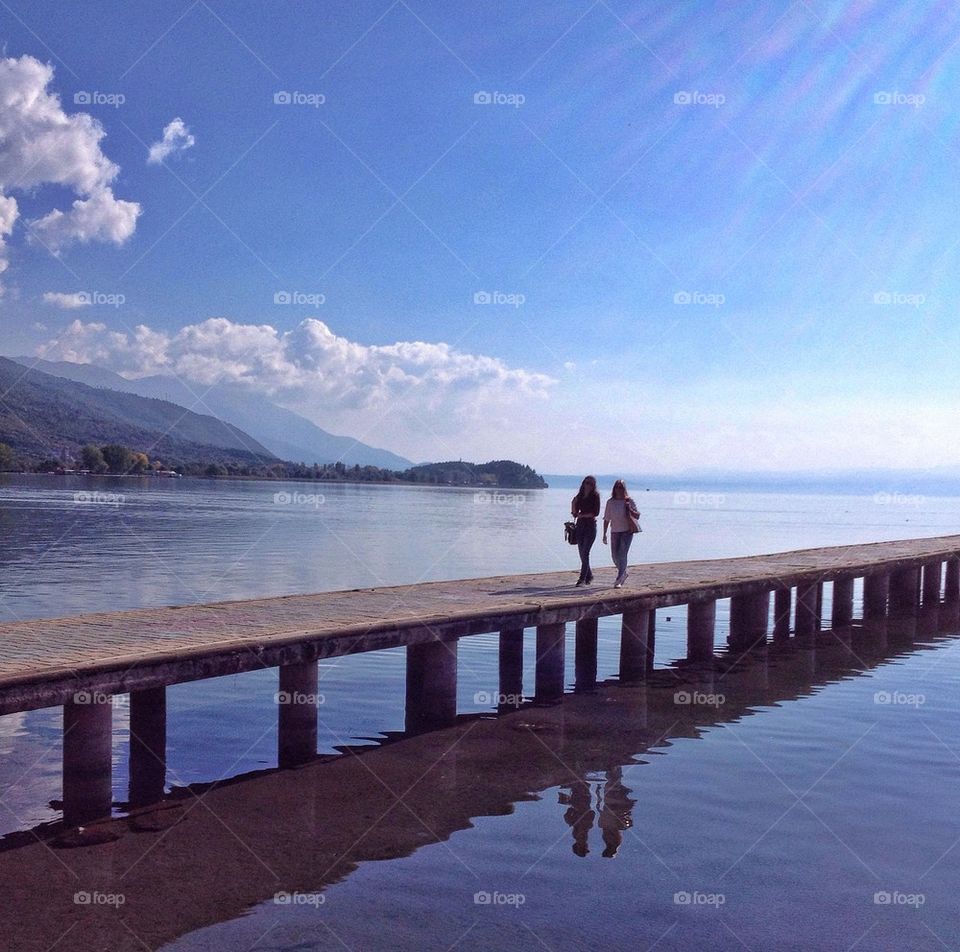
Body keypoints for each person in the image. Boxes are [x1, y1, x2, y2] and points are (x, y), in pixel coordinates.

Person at [602, 479, 639, 588]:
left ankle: (619, 579)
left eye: (621, 487)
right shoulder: (610, 502)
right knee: (614, 556)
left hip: (627, 531)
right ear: (614, 489)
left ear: (624, 489)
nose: (619, 489)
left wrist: (630, 510)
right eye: (617, 487)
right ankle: (623, 573)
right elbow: (606, 519)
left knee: (622, 554)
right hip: (615, 531)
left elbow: (637, 515)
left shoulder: (629, 501)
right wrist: (604, 534)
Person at [571, 475, 600, 585]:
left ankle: (582, 578)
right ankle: (589, 576)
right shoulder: (580, 496)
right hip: (580, 526)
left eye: (591, 484)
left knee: (585, 552)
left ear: (593, 486)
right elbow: (575, 514)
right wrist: (573, 504)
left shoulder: (595, 496)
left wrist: (582, 515)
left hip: (590, 526)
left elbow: (595, 513)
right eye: (586, 483)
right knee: (581, 553)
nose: (588, 485)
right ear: (583, 483)